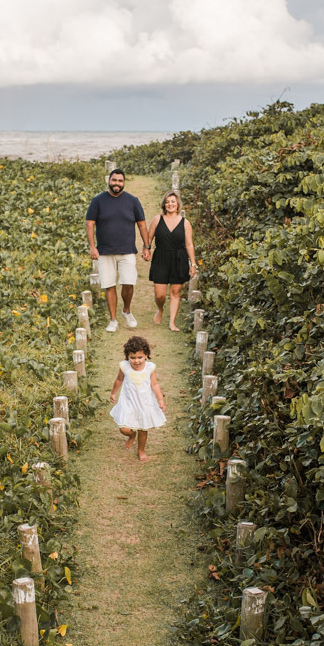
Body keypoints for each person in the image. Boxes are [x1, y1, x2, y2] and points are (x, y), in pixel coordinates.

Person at [86, 168, 149, 332]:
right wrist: (93, 247)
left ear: (124, 182)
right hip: (104, 252)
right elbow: (90, 223)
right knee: (109, 285)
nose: (117, 184)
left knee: (128, 283)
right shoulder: (98, 200)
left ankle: (126, 311)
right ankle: (113, 319)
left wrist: (146, 246)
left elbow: (141, 224)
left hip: (127, 250)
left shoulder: (132, 201)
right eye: (114, 180)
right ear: (109, 180)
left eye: (120, 181)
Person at [108, 335, 167, 461]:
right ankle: (131, 435)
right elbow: (119, 380)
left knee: (143, 428)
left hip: (144, 403)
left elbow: (155, 384)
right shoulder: (125, 367)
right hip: (128, 402)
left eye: (140, 357)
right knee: (123, 428)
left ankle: (141, 450)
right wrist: (113, 393)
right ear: (127, 357)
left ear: (146, 355)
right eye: (132, 358)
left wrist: (160, 400)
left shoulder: (150, 368)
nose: (136, 361)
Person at [147, 190, 197, 332]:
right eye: (167, 202)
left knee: (175, 292)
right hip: (161, 257)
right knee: (160, 294)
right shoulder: (157, 219)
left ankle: (172, 322)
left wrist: (193, 264)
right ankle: (160, 309)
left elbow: (189, 244)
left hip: (179, 259)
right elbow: (149, 239)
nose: (170, 204)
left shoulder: (185, 223)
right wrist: (147, 249)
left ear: (177, 204)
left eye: (173, 202)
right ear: (164, 204)